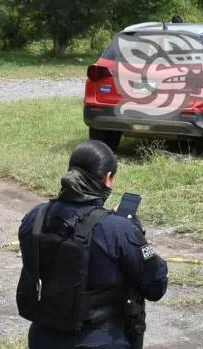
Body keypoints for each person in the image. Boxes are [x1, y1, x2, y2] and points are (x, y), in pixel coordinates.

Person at [17, 140, 168, 349]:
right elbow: (156, 286)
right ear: (107, 179)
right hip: (100, 340)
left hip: (42, 338)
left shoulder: (35, 217)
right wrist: (133, 231)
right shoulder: (118, 230)